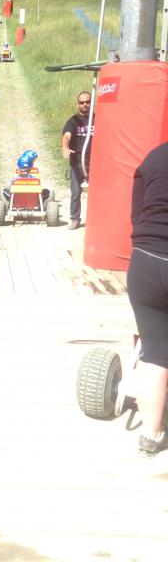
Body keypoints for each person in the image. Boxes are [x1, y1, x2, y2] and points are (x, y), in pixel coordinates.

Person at [127, 141, 168, 457]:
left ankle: (151, 437)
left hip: (146, 260)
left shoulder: (155, 156)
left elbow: (136, 213)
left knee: (154, 354)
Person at [61, 91, 95, 230]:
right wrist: (65, 147)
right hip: (77, 163)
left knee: (96, 193)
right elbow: (66, 136)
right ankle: (75, 219)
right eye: (82, 102)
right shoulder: (73, 121)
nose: (85, 104)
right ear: (77, 104)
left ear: (91, 103)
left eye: (87, 102)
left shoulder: (97, 119)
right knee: (76, 192)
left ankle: (96, 220)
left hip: (95, 162)